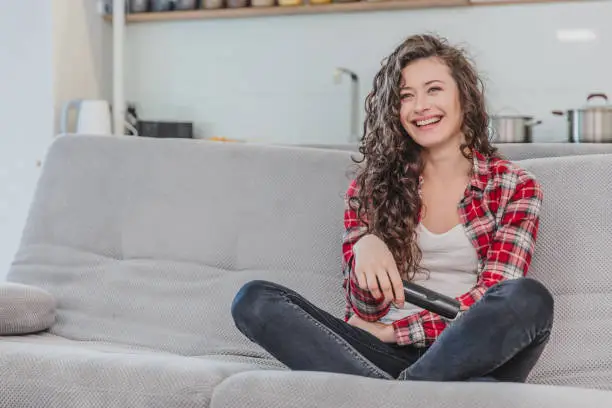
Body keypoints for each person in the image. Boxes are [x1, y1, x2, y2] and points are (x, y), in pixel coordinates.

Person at [231, 33, 554, 382]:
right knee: (255, 300)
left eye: (433, 89)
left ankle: (396, 394)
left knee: (528, 299)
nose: (420, 106)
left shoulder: (514, 186)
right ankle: (416, 394)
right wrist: (365, 247)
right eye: (406, 96)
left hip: (467, 351)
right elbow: (364, 314)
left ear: (464, 96)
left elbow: (491, 297)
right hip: (379, 354)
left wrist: (395, 332)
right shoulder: (371, 187)